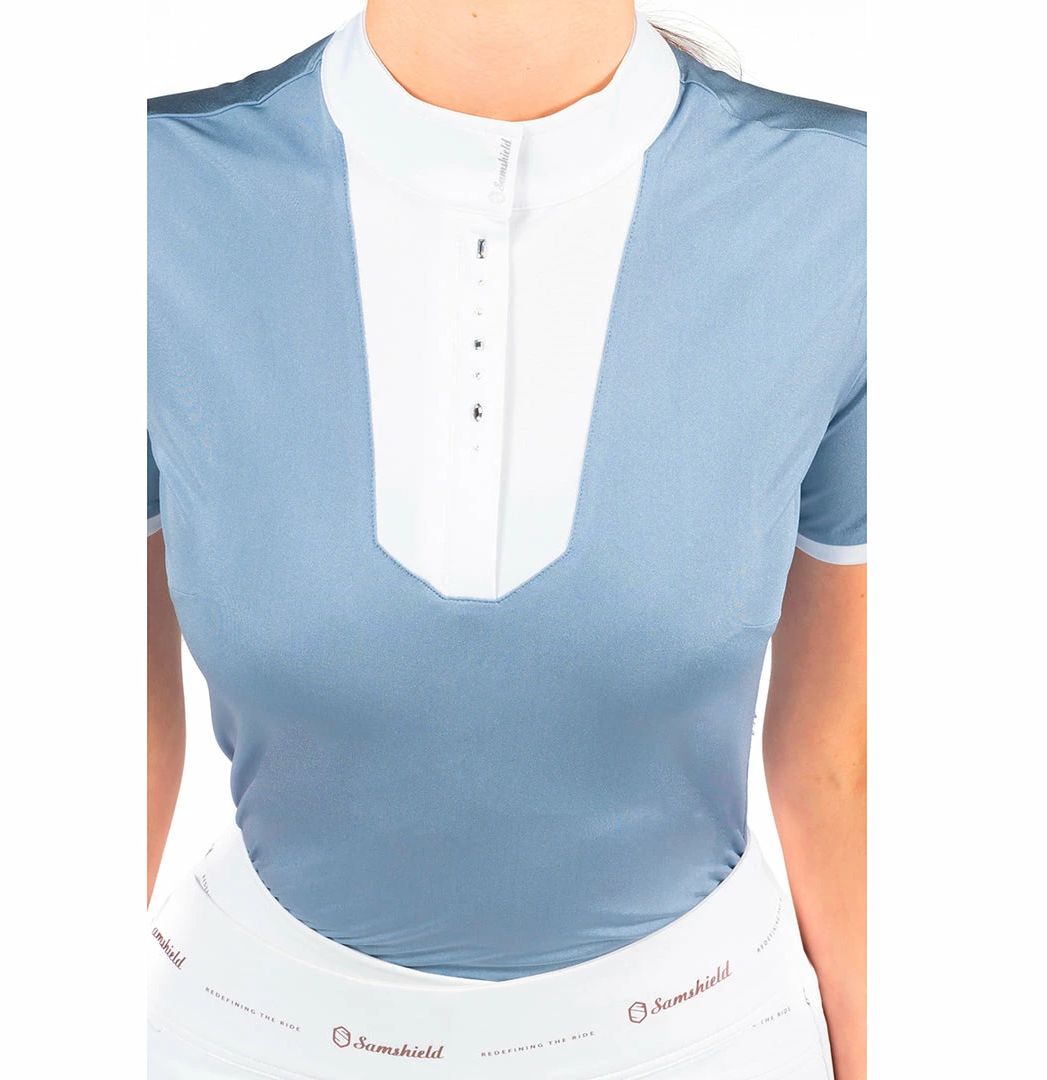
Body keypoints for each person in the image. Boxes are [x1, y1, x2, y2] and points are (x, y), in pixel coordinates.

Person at [146, 2, 866, 1078]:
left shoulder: (844, 205)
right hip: (250, 1031)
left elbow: (842, 759)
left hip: (702, 1033)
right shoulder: (151, 192)